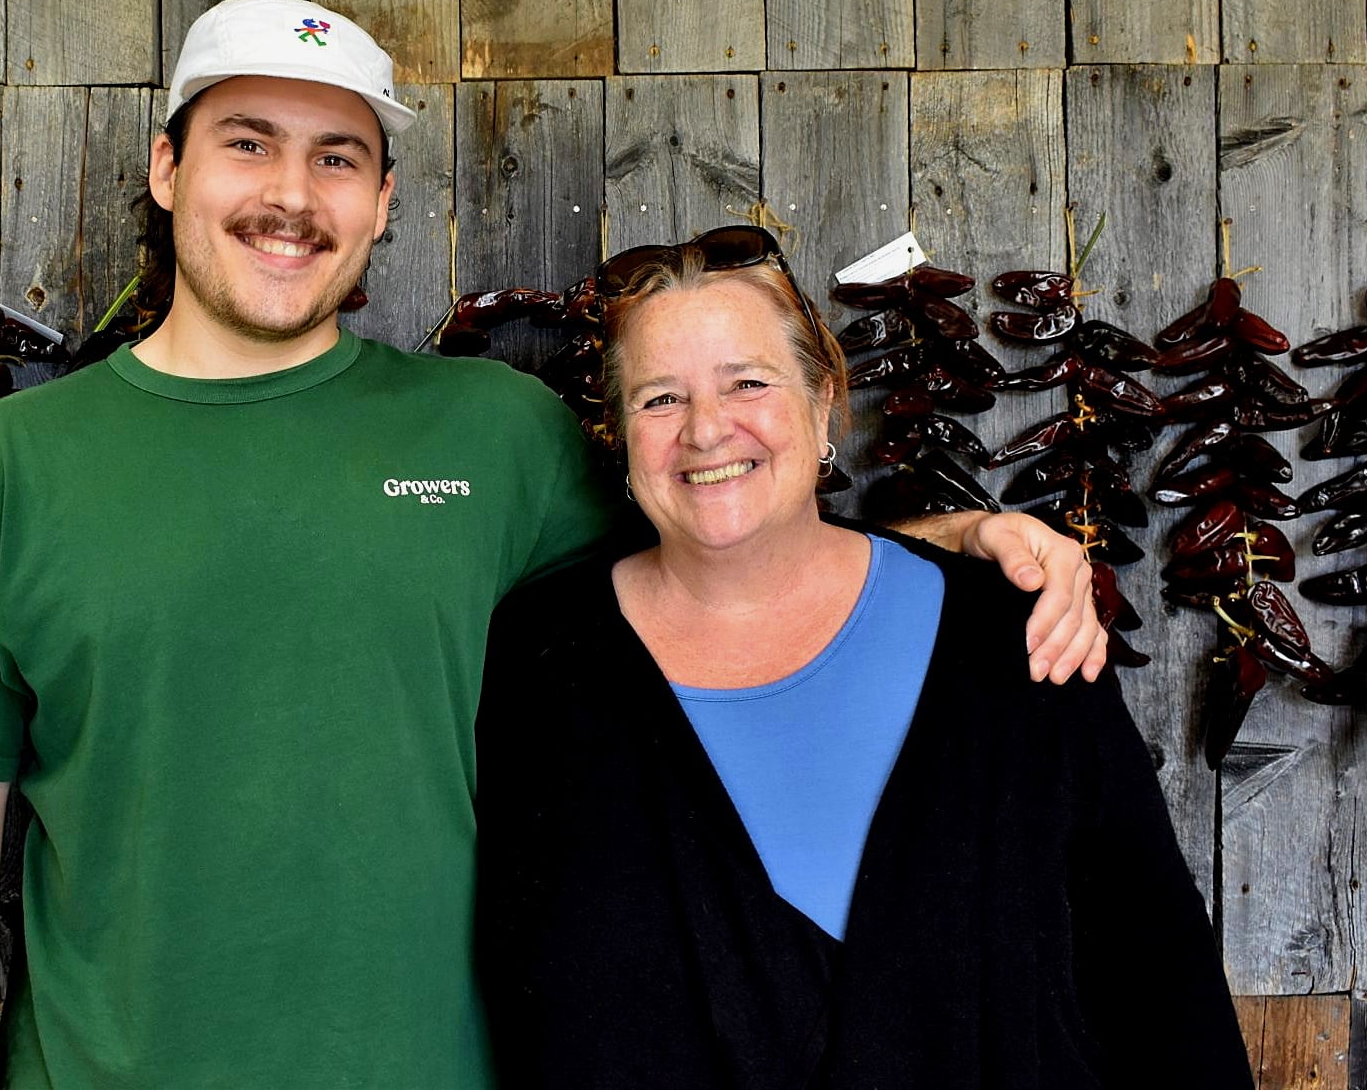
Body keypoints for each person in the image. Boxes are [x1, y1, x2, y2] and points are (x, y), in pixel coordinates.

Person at [0, 0, 1106, 1088]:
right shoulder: (2, 474)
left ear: (383, 201)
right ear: (167, 167)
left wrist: (962, 539)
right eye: (248, 143)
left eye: (338, 158)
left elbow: (724, 560)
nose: (292, 195)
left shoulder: (495, 435)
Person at [475, 227, 1253, 1088]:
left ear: (823, 405)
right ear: (620, 435)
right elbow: (518, 995)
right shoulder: (536, 663)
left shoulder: (1011, 633)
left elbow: (1152, 959)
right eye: (659, 398)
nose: (706, 429)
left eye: (747, 382)